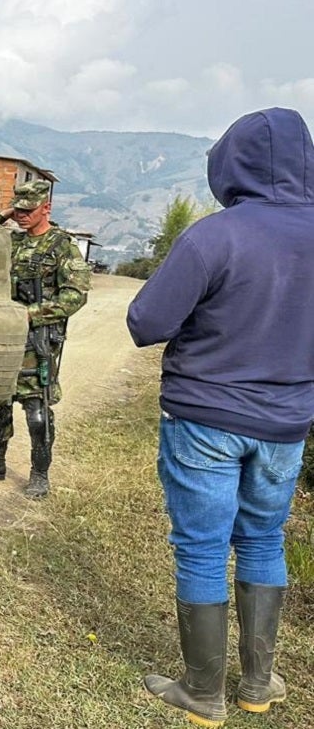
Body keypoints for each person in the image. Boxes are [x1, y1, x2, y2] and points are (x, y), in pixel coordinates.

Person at [128, 107, 314, 727]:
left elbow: (146, 322)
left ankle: (203, 692)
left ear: (231, 162)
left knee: (203, 549)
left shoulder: (215, 236)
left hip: (206, 417)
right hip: (287, 425)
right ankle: (258, 684)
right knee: (263, 539)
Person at [0, 180, 90, 499]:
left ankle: (39, 473)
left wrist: (30, 314)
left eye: (28, 210)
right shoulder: (13, 240)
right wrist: (7, 213)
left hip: (37, 338)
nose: (22, 215)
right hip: (1, 336)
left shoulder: (62, 245)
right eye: (18, 209)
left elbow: (75, 296)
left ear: (46, 208)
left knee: (37, 409)